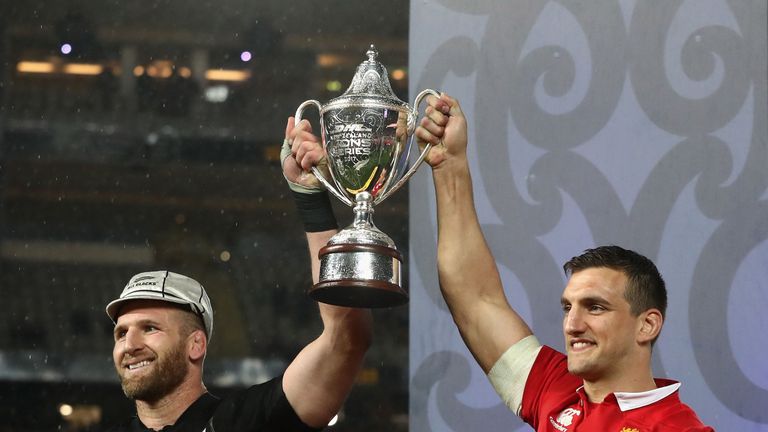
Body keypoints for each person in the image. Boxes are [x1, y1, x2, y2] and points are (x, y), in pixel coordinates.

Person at [413, 93, 714, 431]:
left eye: (595, 307)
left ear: (647, 325)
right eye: (568, 307)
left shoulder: (679, 428)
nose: (572, 325)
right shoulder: (553, 386)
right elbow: (474, 300)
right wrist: (450, 166)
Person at [102, 119, 372, 431]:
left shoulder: (246, 421)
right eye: (121, 333)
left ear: (196, 345)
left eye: (149, 328)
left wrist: (312, 202)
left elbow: (346, 340)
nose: (129, 344)